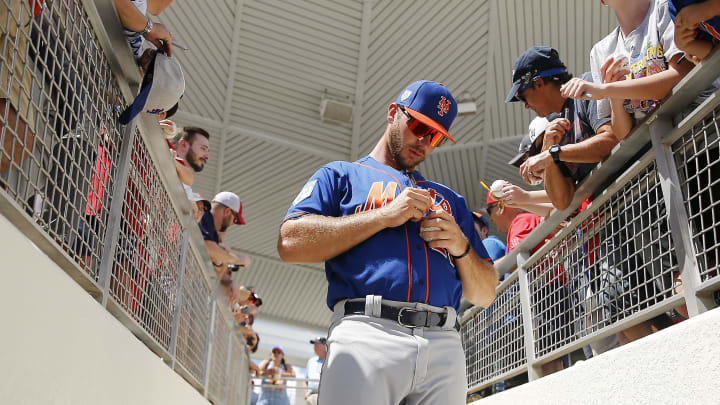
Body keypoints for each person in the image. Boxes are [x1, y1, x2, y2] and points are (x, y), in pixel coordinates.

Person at [278, 80, 497, 404]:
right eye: (419, 125)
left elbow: (486, 293)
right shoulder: (341, 175)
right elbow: (289, 242)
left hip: (443, 343)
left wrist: (461, 247)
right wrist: (383, 216)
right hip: (367, 333)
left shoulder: (451, 200)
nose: (423, 141)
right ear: (393, 113)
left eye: (435, 136)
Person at [506, 46, 617, 211]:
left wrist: (553, 154)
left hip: (641, 191)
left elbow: (611, 139)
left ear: (539, 83)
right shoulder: (552, 126)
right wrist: (547, 149)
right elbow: (561, 201)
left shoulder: (585, 87)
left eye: (523, 97)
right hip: (612, 216)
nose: (527, 106)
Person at [198, 191, 251, 280]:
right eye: (235, 220)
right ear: (227, 211)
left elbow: (217, 273)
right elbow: (207, 247)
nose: (233, 224)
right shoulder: (205, 213)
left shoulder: (212, 232)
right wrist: (237, 259)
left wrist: (222, 258)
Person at [304, 336, 326, 405]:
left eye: (317, 345)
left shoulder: (332, 361)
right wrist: (306, 393)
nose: (314, 347)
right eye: (314, 345)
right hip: (311, 396)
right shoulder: (311, 361)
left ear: (325, 346)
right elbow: (306, 380)